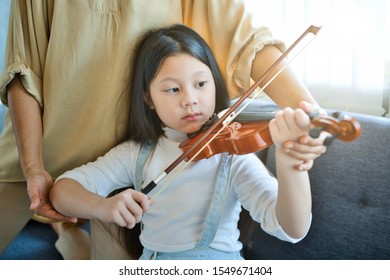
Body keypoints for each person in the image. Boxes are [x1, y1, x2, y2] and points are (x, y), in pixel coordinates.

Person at [0, 0, 326, 259]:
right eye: (172, 90)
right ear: (149, 98)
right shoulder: (137, 155)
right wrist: (96, 203)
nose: (190, 101)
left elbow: (292, 227)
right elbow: (22, 71)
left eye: (201, 84)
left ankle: (70, 240)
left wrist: (291, 156)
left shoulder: (230, 157)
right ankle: (68, 237)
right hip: (54, 142)